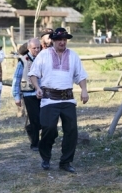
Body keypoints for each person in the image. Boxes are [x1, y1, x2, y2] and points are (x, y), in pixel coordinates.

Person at [28, 27, 89, 173]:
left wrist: (84, 90)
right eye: (59, 40)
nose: (62, 42)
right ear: (53, 41)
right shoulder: (44, 55)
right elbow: (33, 74)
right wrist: (37, 88)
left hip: (67, 98)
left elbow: (80, 75)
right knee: (49, 128)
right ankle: (46, 158)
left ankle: (66, 162)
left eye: (64, 39)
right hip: (49, 99)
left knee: (71, 130)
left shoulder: (73, 55)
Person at [12, 38, 41, 151]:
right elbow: (17, 78)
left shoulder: (43, 58)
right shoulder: (23, 60)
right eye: (34, 48)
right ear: (29, 48)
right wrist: (16, 96)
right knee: (35, 119)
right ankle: (35, 144)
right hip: (29, 94)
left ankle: (30, 129)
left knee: (43, 119)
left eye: (38, 47)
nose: (37, 50)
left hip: (43, 92)